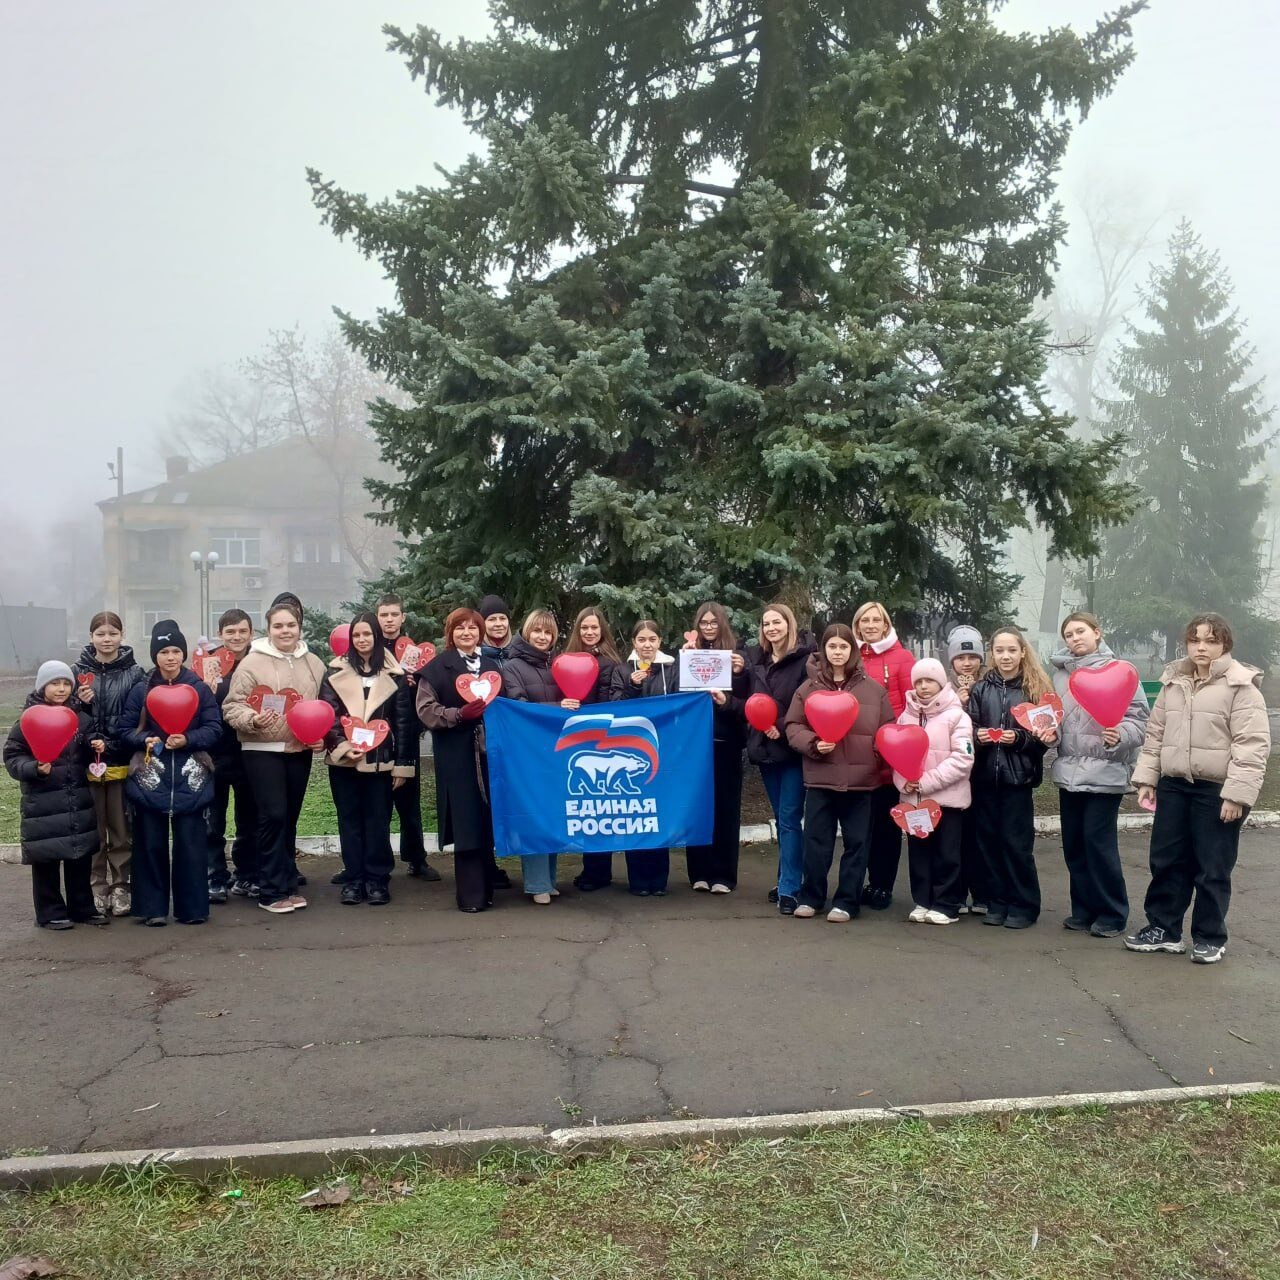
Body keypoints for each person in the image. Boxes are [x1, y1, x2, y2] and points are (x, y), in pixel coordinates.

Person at [1125, 613, 1270, 964]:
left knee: (1212, 866)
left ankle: (1209, 936)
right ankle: (1164, 929)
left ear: (1224, 644)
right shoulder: (1174, 682)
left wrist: (1236, 795)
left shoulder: (1241, 687)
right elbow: (1156, 734)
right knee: (1167, 861)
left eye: (1210, 640)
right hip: (1174, 786)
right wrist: (1147, 778)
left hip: (1216, 791)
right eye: (1195, 640)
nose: (1201, 647)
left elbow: (1251, 745)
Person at [223, 602, 328, 916]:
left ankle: (286, 885)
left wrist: (321, 735)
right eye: (278, 626)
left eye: (291, 625)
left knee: (290, 819)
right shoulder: (252, 664)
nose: (285, 631)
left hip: (299, 752)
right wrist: (253, 720)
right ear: (268, 630)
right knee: (273, 816)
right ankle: (269, 890)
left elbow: (324, 707)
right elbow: (232, 707)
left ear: (299, 627)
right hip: (261, 751)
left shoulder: (314, 664)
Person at [1047, 612, 1149, 938]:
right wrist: (1049, 733)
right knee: (1074, 845)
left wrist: (1120, 734)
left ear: (1096, 632)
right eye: (1069, 635)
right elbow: (1054, 716)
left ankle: (1112, 912)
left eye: (1080, 631)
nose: (1075, 638)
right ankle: (1084, 910)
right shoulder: (1059, 676)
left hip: (1106, 771)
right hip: (1069, 772)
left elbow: (1139, 720)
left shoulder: (1120, 672)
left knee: (1098, 843)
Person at [784, 624, 893, 922]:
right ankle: (812, 897)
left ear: (852, 650)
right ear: (824, 650)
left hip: (862, 783)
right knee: (816, 843)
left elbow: (887, 730)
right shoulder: (808, 689)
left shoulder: (874, 691)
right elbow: (793, 726)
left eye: (843, 646)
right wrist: (814, 744)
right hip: (821, 778)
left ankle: (847, 901)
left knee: (857, 844)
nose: (837, 652)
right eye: (832, 646)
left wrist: (878, 759)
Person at [120, 622, 223, 926]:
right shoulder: (141, 689)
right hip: (151, 776)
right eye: (164, 651)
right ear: (155, 655)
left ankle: (193, 909)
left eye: (176, 650)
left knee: (191, 845)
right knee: (149, 843)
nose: (170, 657)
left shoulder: (199, 688)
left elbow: (214, 728)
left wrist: (189, 739)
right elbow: (125, 730)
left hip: (191, 777)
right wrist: (145, 740)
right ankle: (151, 909)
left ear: (184, 654)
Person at [319, 612, 418, 905]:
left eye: (367, 634)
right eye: (357, 635)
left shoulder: (395, 674)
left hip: (381, 761)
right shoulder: (334, 672)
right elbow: (329, 714)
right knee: (349, 820)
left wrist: (402, 765)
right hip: (344, 761)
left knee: (378, 822)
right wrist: (340, 744)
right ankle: (353, 879)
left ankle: (377, 879)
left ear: (376, 637)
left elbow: (403, 723)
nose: (362, 640)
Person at [4, 661, 107, 930]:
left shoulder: (80, 718)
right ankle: (50, 911)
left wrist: (95, 744)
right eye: (54, 683)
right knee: (46, 858)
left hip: (77, 799)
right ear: (42, 686)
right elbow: (13, 757)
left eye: (65, 683)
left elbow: (89, 749)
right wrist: (34, 768)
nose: (61, 689)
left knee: (80, 856)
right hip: (43, 802)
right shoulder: (27, 719)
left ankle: (82, 907)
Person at [416, 608, 501, 912]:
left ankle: (489, 887)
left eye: (473, 628)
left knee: (487, 818)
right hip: (456, 754)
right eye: (460, 628)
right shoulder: (438, 668)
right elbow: (425, 710)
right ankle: (470, 895)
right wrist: (457, 715)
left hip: (490, 755)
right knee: (466, 822)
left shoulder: (492, 666)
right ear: (450, 633)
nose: (467, 633)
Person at [967, 626, 1052, 929]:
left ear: (1022, 652)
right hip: (985, 779)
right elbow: (967, 731)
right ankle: (996, 901)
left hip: (1018, 780)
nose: (1005, 656)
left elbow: (1043, 740)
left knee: (1016, 845)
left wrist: (1017, 738)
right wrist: (978, 737)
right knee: (988, 843)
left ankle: (1024, 905)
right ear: (992, 653)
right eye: (999, 651)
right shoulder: (980, 689)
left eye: (1011, 650)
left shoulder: (1035, 689)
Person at [73, 611, 146, 917]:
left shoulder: (135, 673)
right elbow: (64, 714)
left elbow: (139, 718)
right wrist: (81, 703)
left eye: (112, 633)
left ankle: (121, 885)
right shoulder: (76, 672)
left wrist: (115, 744)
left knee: (120, 828)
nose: (106, 639)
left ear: (122, 635)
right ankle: (96, 886)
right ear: (91, 637)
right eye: (100, 634)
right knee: (94, 828)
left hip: (120, 760)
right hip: (86, 763)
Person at [744, 603, 815, 915]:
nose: (771, 628)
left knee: (788, 817)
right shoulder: (755, 661)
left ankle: (790, 887)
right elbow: (749, 703)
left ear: (789, 624)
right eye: (766, 623)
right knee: (782, 817)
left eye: (777, 622)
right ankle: (787, 877)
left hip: (792, 751)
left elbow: (810, 703)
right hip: (766, 751)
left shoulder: (805, 661)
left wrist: (782, 726)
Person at [892, 658, 974, 925]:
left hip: (946, 802)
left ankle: (947, 903)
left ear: (941, 683)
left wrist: (927, 782)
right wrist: (903, 782)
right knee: (919, 853)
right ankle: (923, 900)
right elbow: (895, 754)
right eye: (919, 682)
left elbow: (963, 759)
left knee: (947, 854)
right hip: (915, 803)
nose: (923, 687)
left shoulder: (957, 716)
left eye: (929, 681)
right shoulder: (906, 716)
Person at [501, 609, 572, 904]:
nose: (542, 637)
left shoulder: (556, 665)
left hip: (555, 752)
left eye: (548, 632)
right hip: (528, 753)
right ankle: (537, 883)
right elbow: (518, 705)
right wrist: (560, 706)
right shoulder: (511, 667)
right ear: (527, 632)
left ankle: (550, 879)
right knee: (534, 815)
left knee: (553, 815)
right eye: (537, 631)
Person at [681, 601, 748, 893]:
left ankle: (723, 875)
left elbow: (748, 703)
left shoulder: (737, 654)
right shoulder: (687, 653)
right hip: (695, 744)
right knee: (697, 808)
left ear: (722, 623)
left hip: (726, 742)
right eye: (703, 623)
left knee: (726, 809)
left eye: (713, 622)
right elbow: (677, 694)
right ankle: (698, 872)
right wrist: (682, 664)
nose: (708, 627)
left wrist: (740, 674)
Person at [853, 601, 916, 910]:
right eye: (865, 620)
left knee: (885, 826)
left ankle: (881, 885)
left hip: (889, 755)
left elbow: (910, 704)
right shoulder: (850, 657)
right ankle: (857, 881)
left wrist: (894, 743)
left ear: (886, 624)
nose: (870, 624)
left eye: (876, 619)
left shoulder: (902, 658)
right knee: (858, 826)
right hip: (855, 755)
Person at [374, 592, 439, 882]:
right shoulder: (369, 649)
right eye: (383, 615)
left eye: (393, 614)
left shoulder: (415, 651)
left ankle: (417, 859)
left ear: (403, 617)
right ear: (377, 618)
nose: (389, 620)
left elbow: (428, 691)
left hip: (407, 732)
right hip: (375, 734)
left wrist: (414, 683)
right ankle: (374, 860)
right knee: (377, 803)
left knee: (409, 801)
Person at [564, 606, 630, 892]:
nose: (589, 632)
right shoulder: (566, 659)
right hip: (578, 738)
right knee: (586, 810)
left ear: (603, 630)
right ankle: (591, 867)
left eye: (594, 628)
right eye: (584, 628)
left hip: (600, 739)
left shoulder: (611, 663)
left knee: (599, 810)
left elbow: (610, 701)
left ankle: (598, 871)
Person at [203, 608, 258, 903]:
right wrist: (205, 689)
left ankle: (246, 874)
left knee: (249, 819)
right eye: (230, 632)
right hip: (213, 753)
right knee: (213, 821)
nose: (236, 637)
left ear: (251, 633)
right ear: (220, 634)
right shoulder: (208, 664)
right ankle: (215, 875)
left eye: (242, 631)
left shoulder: (261, 662)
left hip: (250, 750)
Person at [946, 624, 988, 914]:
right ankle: (957, 893)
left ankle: (983, 893)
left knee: (981, 836)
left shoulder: (989, 687)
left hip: (984, 773)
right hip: (955, 775)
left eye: (973, 657)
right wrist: (957, 704)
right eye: (960, 658)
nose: (967, 663)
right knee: (956, 838)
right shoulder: (945, 691)